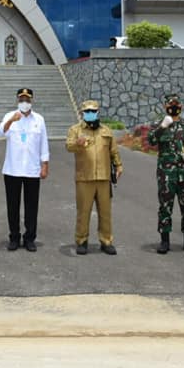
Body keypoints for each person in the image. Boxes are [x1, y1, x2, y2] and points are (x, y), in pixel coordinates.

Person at [65, 100, 122, 255]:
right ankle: (82, 241)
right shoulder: (75, 130)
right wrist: (78, 143)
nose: (90, 114)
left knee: (105, 212)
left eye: (92, 111)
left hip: (103, 177)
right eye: (87, 112)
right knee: (83, 211)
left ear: (97, 112)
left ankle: (106, 241)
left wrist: (118, 165)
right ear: (82, 113)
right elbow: (69, 146)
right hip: (84, 177)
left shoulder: (106, 131)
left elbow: (113, 151)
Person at [148, 94, 184, 255]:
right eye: (171, 104)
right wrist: (162, 127)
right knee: (165, 207)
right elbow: (150, 140)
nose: (174, 107)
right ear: (165, 107)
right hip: (166, 175)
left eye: (176, 104)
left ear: (181, 107)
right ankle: (164, 241)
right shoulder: (158, 125)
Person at [0, 88, 49, 252]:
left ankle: (29, 238)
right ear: (17, 100)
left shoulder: (39, 119)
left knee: (31, 206)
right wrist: (11, 121)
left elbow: (44, 143)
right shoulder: (9, 116)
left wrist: (45, 164)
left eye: (27, 99)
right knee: (12, 205)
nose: (24, 102)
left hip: (32, 170)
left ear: (31, 101)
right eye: (21, 99)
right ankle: (14, 237)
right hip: (12, 169)